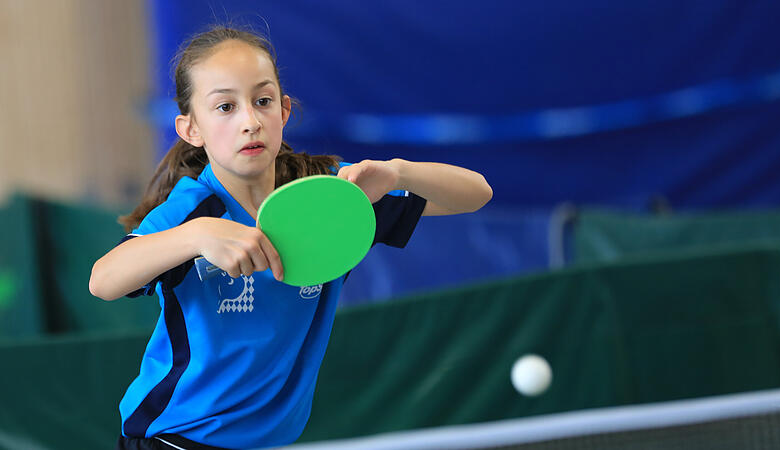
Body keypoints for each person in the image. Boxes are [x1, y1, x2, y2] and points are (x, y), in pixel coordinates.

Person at [90, 26, 492, 450]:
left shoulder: (332, 197)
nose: (249, 121)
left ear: (282, 111)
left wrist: (398, 171)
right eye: (225, 107)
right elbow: (103, 281)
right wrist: (197, 236)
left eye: (262, 101)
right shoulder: (194, 209)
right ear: (191, 129)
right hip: (179, 436)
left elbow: (477, 193)